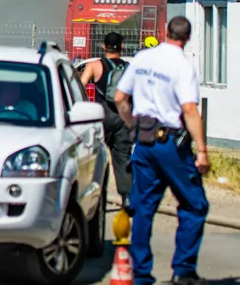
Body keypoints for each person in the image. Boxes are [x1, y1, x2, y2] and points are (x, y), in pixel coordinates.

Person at [114, 17, 210, 285]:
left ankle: (141, 275)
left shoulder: (142, 59)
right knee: (195, 204)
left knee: (144, 207)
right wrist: (201, 150)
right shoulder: (182, 66)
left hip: (143, 144)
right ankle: (184, 270)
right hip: (170, 144)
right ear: (187, 38)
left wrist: (133, 126)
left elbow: (120, 98)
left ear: (166, 32)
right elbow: (190, 109)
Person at [78, 31, 135, 208]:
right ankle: (127, 198)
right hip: (122, 117)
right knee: (123, 158)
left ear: (104, 46)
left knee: (97, 158)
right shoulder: (128, 67)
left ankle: (98, 198)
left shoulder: (95, 66)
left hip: (101, 117)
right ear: (122, 47)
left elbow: (80, 86)